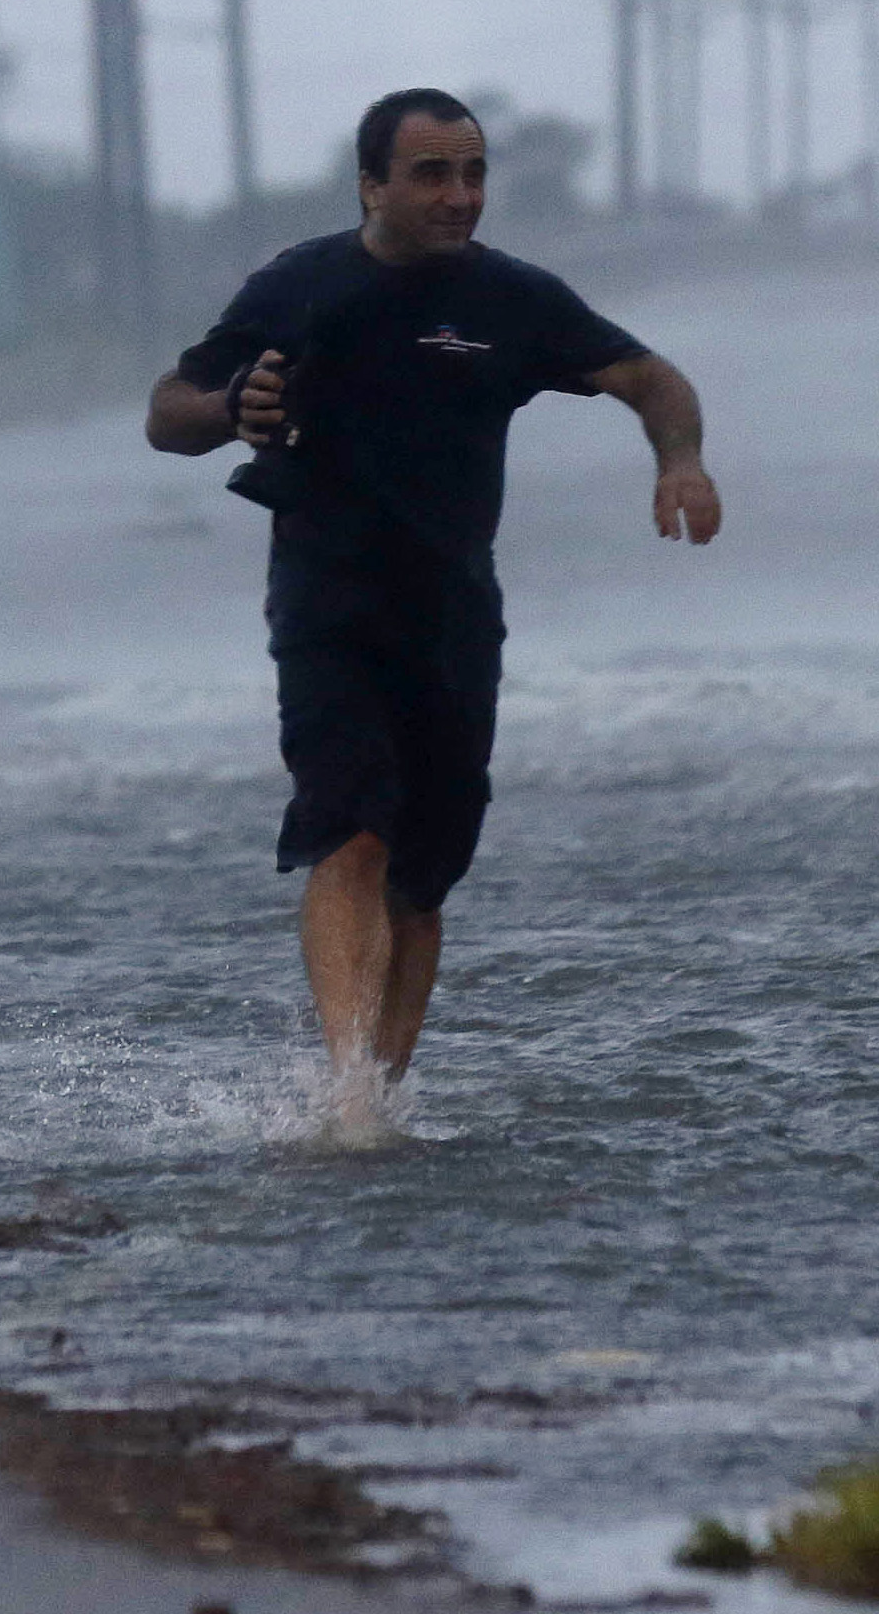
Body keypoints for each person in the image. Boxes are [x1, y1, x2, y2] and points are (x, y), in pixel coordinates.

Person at [150, 86, 719, 1139]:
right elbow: (166, 412)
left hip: (456, 607)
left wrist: (677, 458)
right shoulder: (300, 284)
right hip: (327, 597)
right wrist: (233, 412)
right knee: (348, 830)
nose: (459, 195)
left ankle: (378, 1094)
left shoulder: (513, 300)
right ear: (371, 184)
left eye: (472, 173)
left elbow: (649, 376)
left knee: (423, 873)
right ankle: (347, 1091)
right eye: (430, 174)